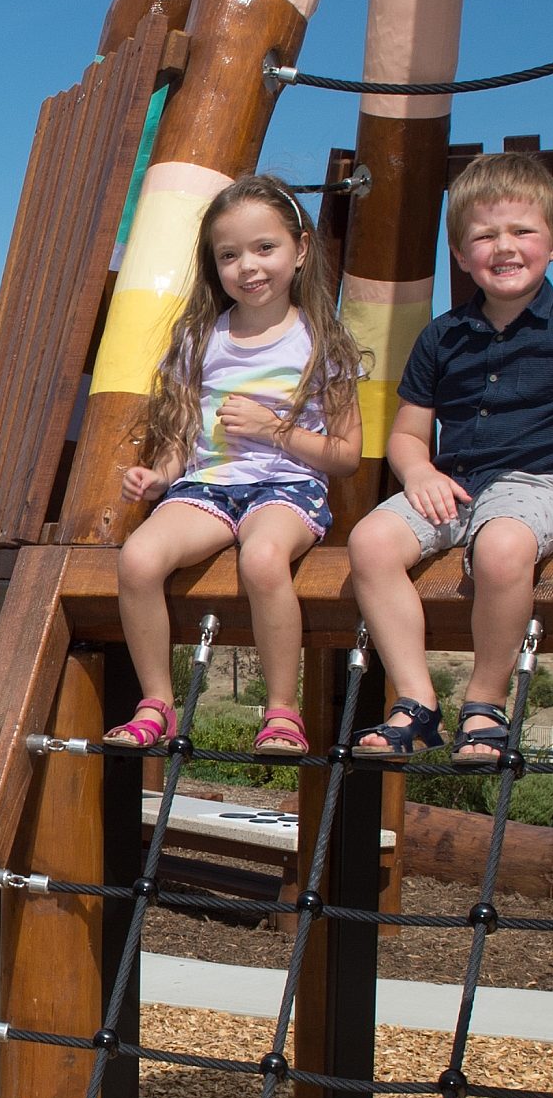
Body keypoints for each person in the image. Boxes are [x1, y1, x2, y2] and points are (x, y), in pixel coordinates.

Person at [348, 151, 553, 761]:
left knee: (502, 548)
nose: (504, 247)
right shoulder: (442, 336)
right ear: (461, 254)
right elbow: (408, 435)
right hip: (456, 486)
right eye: (484, 236)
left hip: (538, 487)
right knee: (369, 542)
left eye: (522, 231)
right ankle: (415, 699)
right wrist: (419, 470)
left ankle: (485, 702)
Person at [104, 175, 364, 754]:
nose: (248, 266)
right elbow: (184, 433)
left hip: (287, 487)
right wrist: (160, 475)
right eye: (229, 255)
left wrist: (275, 430)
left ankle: (282, 710)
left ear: (300, 249)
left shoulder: (321, 340)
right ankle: (157, 703)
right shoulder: (202, 338)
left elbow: (346, 455)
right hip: (209, 487)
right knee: (138, 559)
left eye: (264, 247)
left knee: (263, 558)